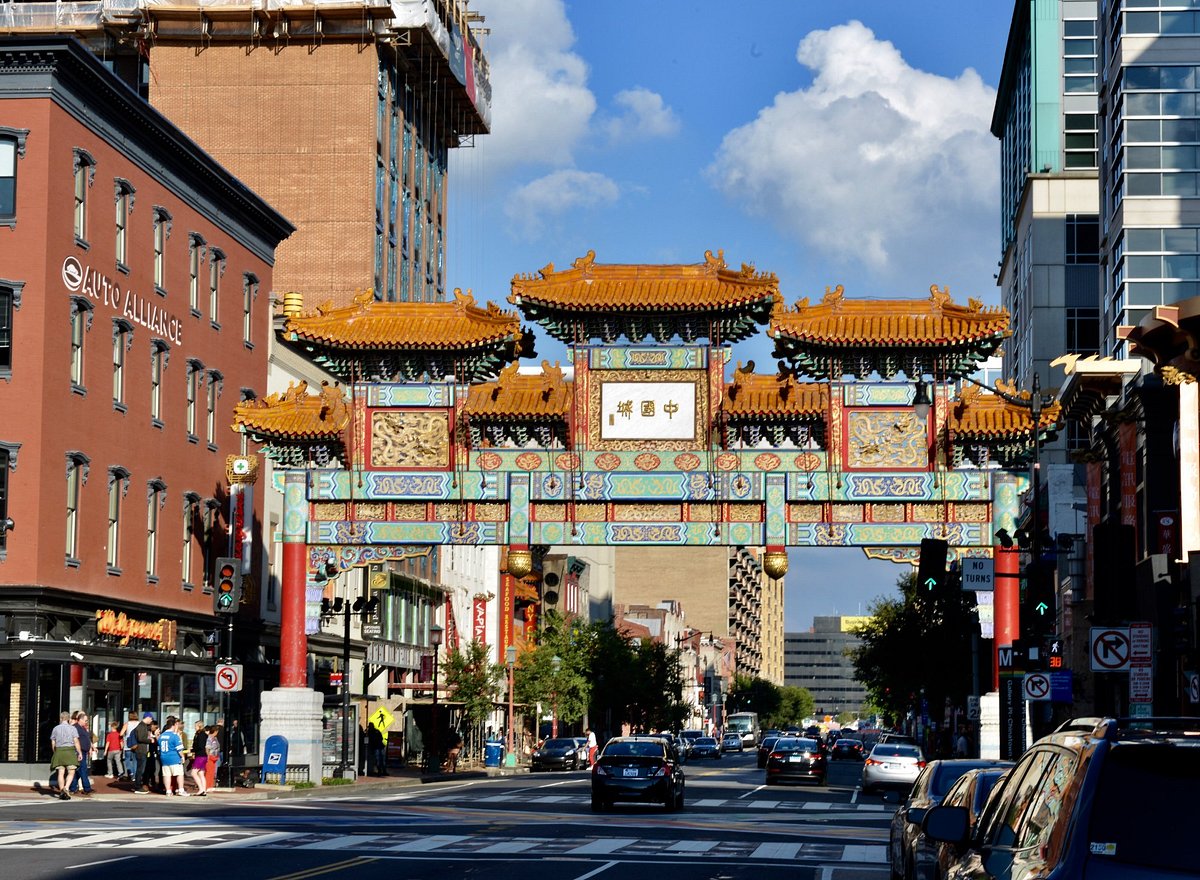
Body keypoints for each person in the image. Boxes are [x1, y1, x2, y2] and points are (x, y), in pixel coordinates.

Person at [49, 711, 81, 800]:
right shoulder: (73, 728)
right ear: (69, 719)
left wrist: (55, 752)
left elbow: (53, 742)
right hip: (70, 751)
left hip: (59, 751)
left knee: (60, 772)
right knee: (71, 772)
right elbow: (76, 741)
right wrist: (79, 752)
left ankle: (62, 790)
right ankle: (66, 788)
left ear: (61, 718)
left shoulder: (55, 728)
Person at [68, 712, 96, 795]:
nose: (86, 722)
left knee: (78, 771)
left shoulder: (82, 728)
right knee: (83, 769)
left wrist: (91, 747)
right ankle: (87, 788)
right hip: (78, 752)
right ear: (80, 720)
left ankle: (73, 788)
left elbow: (87, 738)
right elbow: (74, 740)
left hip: (83, 752)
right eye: (85, 720)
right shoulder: (75, 728)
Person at [159, 717, 187, 796]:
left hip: (164, 757)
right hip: (174, 757)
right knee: (179, 773)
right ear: (174, 725)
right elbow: (179, 748)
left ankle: (168, 791)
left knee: (167, 774)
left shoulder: (161, 736)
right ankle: (181, 790)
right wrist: (182, 757)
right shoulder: (174, 736)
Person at [132, 712, 154, 793]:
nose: (151, 720)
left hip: (143, 750)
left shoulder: (144, 726)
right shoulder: (141, 726)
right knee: (140, 769)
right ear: (147, 717)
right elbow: (140, 738)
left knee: (141, 769)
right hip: (141, 750)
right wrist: (150, 740)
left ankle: (138, 785)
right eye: (151, 718)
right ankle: (137, 787)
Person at [189, 721, 208, 796]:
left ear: (199, 726)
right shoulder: (204, 735)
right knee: (201, 773)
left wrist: (192, 750)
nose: (194, 727)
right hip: (204, 756)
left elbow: (200, 746)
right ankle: (204, 789)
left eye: (196, 726)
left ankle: (201, 789)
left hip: (200, 755)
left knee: (193, 773)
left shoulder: (200, 735)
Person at [121, 711, 140, 784]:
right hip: (136, 744)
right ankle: (135, 776)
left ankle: (131, 772)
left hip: (128, 744)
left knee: (127, 760)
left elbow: (121, 733)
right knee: (135, 760)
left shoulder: (127, 724)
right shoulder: (139, 723)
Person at [204, 724, 221, 791]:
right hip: (210, 757)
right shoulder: (209, 738)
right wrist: (208, 756)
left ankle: (210, 785)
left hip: (215, 757)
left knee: (212, 772)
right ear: (215, 731)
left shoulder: (215, 738)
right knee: (208, 772)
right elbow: (207, 748)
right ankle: (207, 786)